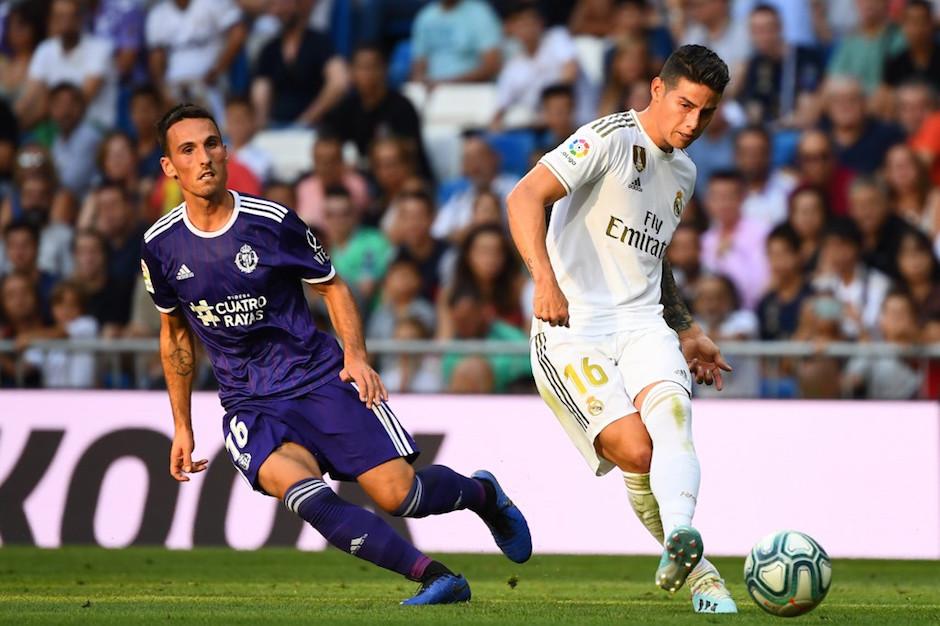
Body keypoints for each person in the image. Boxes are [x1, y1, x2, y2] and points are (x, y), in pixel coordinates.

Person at [140, 103, 531, 605]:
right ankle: (438, 578)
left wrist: (356, 356)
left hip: (319, 379)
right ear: (170, 167)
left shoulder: (271, 222)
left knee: (401, 496)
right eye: (188, 150)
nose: (205, 158)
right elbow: (174, 335)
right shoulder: (161, 245)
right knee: (307, 498)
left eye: (211, 143)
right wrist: (182, 424)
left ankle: (484, 495)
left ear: (225, 148)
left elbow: (333, 287)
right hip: (250, 403)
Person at [506, 45, 737, 613]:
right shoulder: (607, 139)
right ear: (657, 91)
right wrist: (544, 280)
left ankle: (683, 536)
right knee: (635, 452)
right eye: (685, 105)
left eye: (705, 113)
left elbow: (653, 259)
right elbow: (524, 196)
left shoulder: (684, 171)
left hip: (640, 321)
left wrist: (686, 328)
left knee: (674, 421)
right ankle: (702, 571)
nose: (692, 123)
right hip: (571, 326)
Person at [16, 0, 117, 129]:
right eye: (59, 17)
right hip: (54, 125)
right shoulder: (45, 49)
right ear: (51, 20)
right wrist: (12, 121)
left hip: (94, 126)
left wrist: (35, 118)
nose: (65, 23)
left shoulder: (100, 49)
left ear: (80, 18)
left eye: (70, 16)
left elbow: (80, 101)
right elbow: (29, 96)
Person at [251, 0, 348, 128]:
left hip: (315, 127)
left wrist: (307, 120)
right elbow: (261, 88)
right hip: (276, 126)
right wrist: (261, 124)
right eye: (276, 5)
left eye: (285, 4)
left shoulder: (319, 42)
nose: (281, 10)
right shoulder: (270, 49)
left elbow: (339, 82)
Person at [146, 0, 247, 122]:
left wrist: (219, 69)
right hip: (176, 88)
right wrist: (163, 89)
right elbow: (156, 57)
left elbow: (238, 33)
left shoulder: (213, 3)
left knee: (216, 124)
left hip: (211, 83)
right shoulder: (158, 14)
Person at [410, 0, 502, 86]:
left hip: (470, 91)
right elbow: (419, 65)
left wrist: (447, 84)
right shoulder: (425, 16)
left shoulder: (480, 13)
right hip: (432, 92)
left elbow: (492, 65)